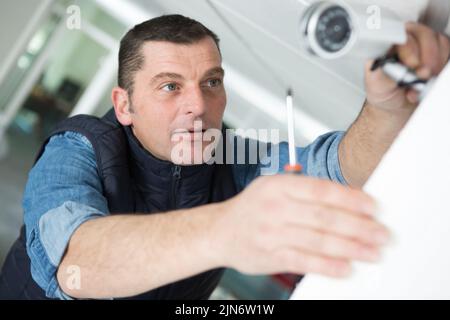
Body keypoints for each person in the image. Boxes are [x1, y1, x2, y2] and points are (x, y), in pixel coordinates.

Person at [0, 14, 449, 300]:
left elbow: (338, 170)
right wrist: (227, 229)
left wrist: (387, 108)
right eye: (171, 86)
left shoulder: (231, 159)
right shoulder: (78, 148)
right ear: (124, 105)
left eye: (211, 82)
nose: (198, 105)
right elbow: (76, 263)